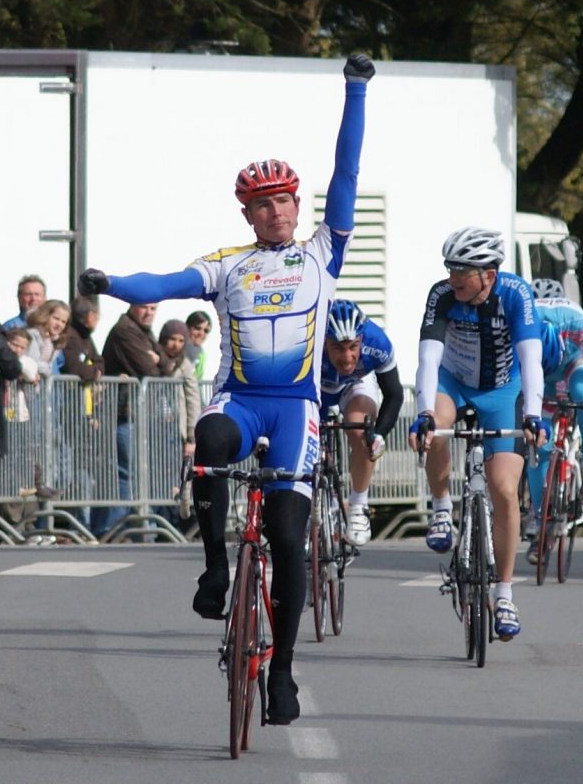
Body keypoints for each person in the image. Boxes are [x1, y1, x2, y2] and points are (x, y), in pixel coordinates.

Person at [76, 53, 373, 726]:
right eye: (262, 205)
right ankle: (214, 568)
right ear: (247, 214)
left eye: (283, 202)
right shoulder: (228, 265)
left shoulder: (324, 253)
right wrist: (112, 283)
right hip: (239, 401)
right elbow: (161, 285)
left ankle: (285, 674)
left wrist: (356, 91)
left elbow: (347, 172)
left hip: (295, 409)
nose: (275, 213)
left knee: (290, 537)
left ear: (298, 206)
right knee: (209, 439)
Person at [407, 226, 547, 642]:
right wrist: (424, 413)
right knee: (440, 425)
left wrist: (534, 415)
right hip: (454, 381)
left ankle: (504, 593)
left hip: (503, 390)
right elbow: (428, 359)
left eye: (461, 272)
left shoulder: (515, 295)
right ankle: (441, 507)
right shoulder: (442, 296)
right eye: (449, 269)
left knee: (504, 488)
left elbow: (532, 359)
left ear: (488, 273)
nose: (453, 278)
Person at [523, 278, 583, 562]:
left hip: (574, 365)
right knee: (539, 444)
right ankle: (540, 518)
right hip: (541, 375)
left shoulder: (575, 321)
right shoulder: (523, 324)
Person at [320, 299, 403, 546]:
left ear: (361, 339)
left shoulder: (377, 343)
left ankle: (358, 505)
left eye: (353, 346)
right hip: (316, 388)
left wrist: (379, 435)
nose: (347, 358)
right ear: (323, 341)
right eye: (337, 348)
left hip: (354, 385)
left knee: (361, 431)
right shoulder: (307, 342)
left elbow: (394, 394)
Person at [102, 302, 169, 534]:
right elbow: (148, 370)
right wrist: (158, 362)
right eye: (144, 308)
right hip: (124, 413)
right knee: (127, 473)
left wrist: (159, 360)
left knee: (139, 471)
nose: (149, 313)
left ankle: (139, 525)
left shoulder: (144, 331)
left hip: (138, 413)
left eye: (153, 309)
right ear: (132, 307)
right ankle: (120, 528)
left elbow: (164, 364)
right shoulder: (125, 330)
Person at [59, 296, 107, 532]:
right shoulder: (71, 338)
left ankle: (83, 523)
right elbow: (76, 368)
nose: (97, 319)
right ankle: (74, 522)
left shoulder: (86, 339)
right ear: (86, 316)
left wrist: (94, 370)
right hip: (68, 413)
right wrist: (92, 371)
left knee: (82, 469)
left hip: (84, 413)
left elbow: (98, 362)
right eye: (95, 315)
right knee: (68, 470)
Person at [158, 318, 202, 528]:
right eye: (172, 339)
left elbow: (193, 399)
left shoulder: (185, 365)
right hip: (154, 427)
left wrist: (192, 434)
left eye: (180, 340)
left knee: (176, 478)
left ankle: (176, 520)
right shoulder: (156, 359)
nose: (176, 345)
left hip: (176, 429)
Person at [24, 299, 70, 376]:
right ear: (45, 315)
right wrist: (48, 371)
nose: (59, 324)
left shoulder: (54, 340)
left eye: (63, 322)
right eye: (56, 318)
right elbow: (33, 361)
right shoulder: (34, 335)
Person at [185, 310, 213, 380]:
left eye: (206, 331)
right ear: (187, 327)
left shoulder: (200, 352)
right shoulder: (178, 350)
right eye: (197, 328)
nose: (201, 333)